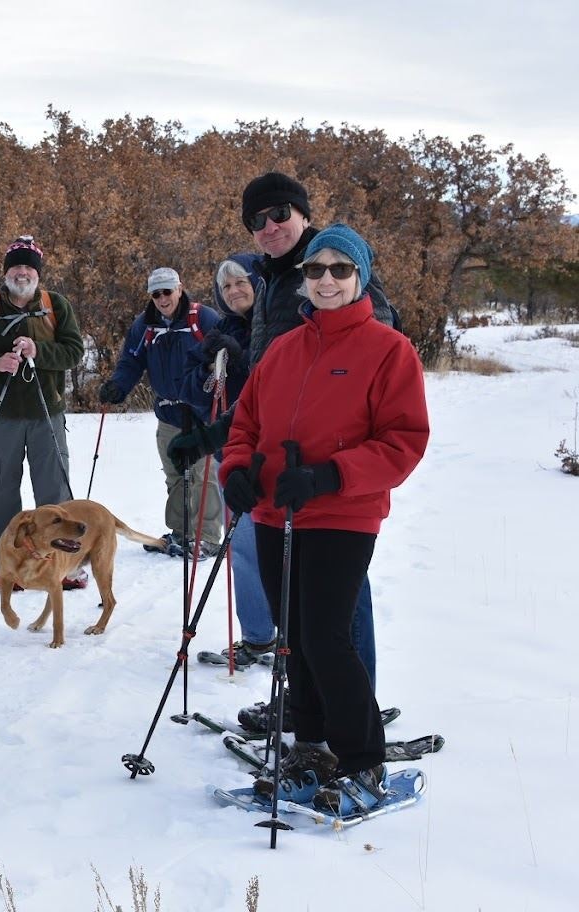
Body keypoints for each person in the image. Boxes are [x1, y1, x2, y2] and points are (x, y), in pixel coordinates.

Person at [219, 223, 428, 814]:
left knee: (329, 637)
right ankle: (309, 748)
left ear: (360, 276)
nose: (326, 280)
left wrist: (331, 475)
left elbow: (404, 440)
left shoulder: (389, 349)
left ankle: (364, 761)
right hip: (273, 510)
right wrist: (237, 470)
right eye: (315, 270)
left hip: (343, 512)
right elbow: (246, 425)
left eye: (340, 269)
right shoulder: (285, 349)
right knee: (294, 637)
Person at [169, 172, 396, 697]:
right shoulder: (270, 282)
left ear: (302, 212)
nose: (269, 227)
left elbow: (371, 356)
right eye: (257, 220)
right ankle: (306, 703)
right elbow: (270, 391)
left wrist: (331, 468)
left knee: (339, 597)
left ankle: (354, 708)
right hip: (280, 466)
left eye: (280, 215)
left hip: (333, 476)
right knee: (298, 599)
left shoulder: (332, 268)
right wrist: (214, 439)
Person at [0, 236, 86, 591]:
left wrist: (37, 351)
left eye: (28, 266)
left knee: (54, 494)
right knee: (4, 495)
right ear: (7, 272)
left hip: (48, 414)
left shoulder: (56, 305)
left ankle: (62, 567)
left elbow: (74, 352)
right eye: (16, 266)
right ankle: (3, 568)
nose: (22, 272)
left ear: (38, 272)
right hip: (1, 417)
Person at [183, 255, 272, 664]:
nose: (235, 291)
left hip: (272, 455)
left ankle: (296, 638)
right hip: (231, 456)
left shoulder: (277, 323)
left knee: (283, 549)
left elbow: (275, 380)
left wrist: (241, 358)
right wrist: (206, 360)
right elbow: (193, 389)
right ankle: (257, 636)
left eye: (241, 282)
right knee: (245, 548)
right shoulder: (220, 328)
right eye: (227, 287)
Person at [99, 267, 223, 558]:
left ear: (179, 289)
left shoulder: (202, 319)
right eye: (156, 294)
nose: (163, 298)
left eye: (167, 291)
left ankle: (206, 535)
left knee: (203, 474)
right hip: (168, 412)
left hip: (201, 411)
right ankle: (181, 532)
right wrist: (118, 386)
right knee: (175, 474)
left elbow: (225, 356)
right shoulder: (145, 326)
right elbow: (130, 362)